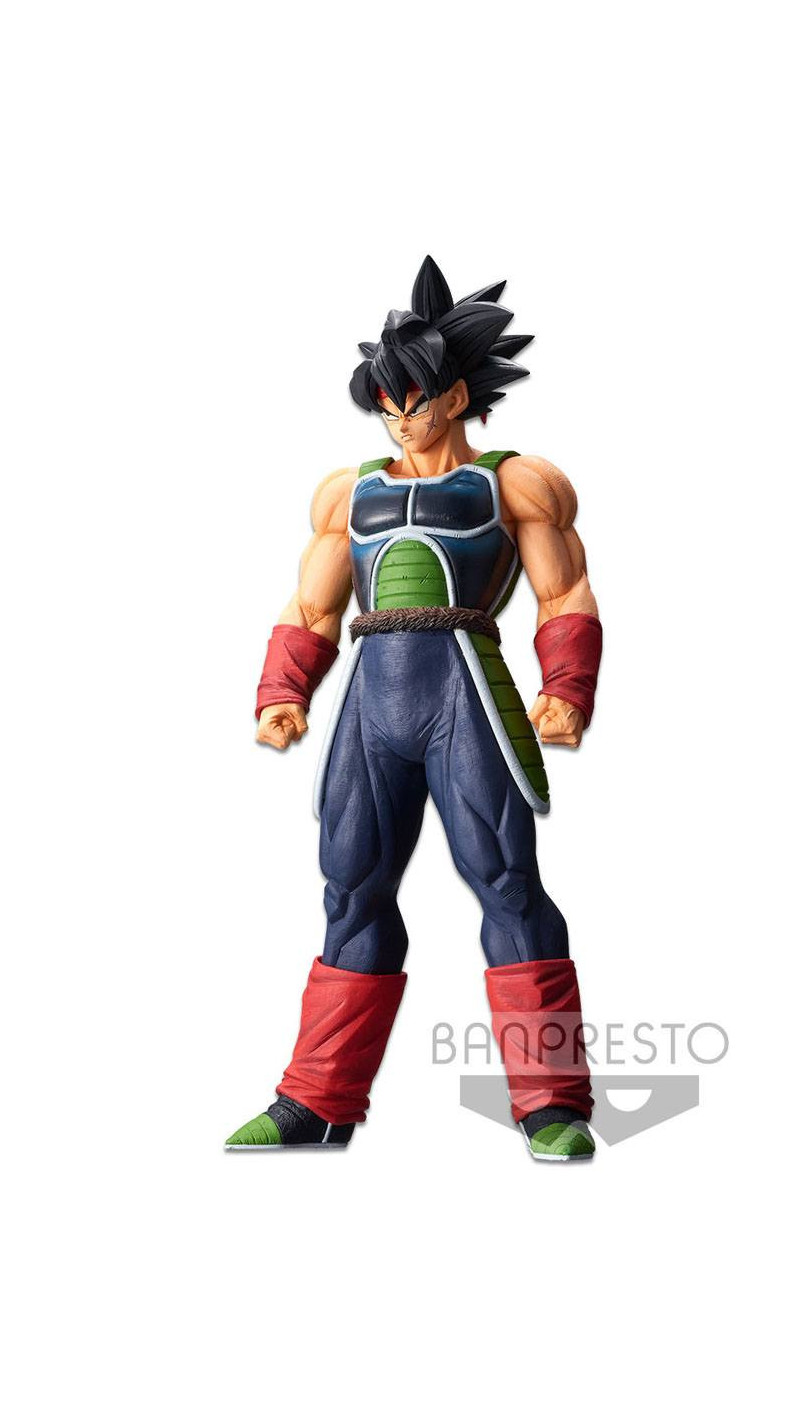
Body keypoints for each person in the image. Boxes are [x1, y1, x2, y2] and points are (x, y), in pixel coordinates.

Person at [226, 257, 604, 1160]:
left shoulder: (516, 483)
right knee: (351, 890)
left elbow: (566, 593)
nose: (399, 416)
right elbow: (311, 607)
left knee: (507, 884)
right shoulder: (347, 493)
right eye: (385, 400)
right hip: (371, 703)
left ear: (457, 394)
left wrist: (566, 690)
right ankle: (317, 1100)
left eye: (415, 398)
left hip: (464, 695)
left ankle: (552, 1103)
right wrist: (282, 692)